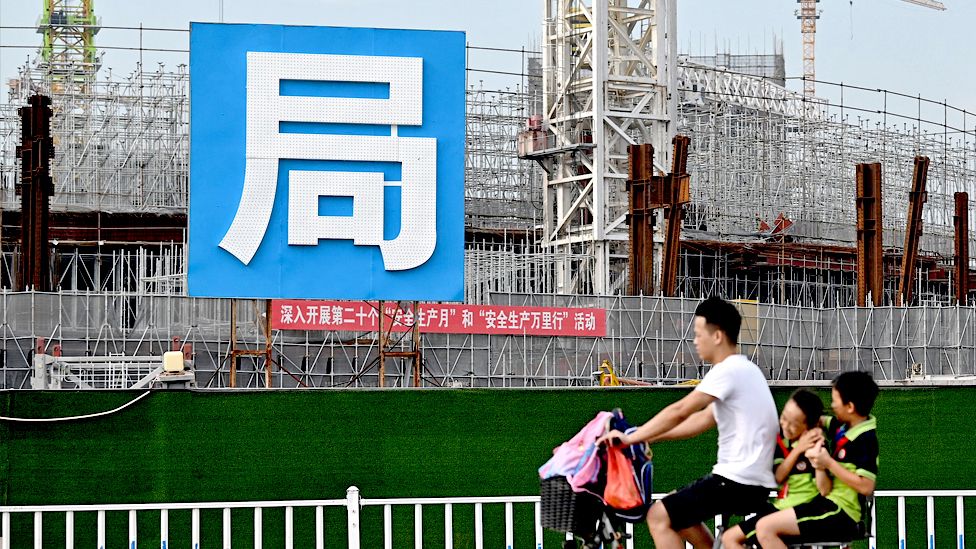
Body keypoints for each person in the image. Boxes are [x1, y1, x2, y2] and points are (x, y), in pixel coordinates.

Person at [596, 296, 779, 549]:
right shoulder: (746, 371)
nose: (695, 342)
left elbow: (681, 410)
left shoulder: (728, 370)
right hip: (751, 482)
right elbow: (701, 420)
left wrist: (631, 438)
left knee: (658, 515)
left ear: (717, 336)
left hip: (737, 480)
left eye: (698, 334)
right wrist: (648, 436)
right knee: (677, 511)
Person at [753, 371, 879, 549]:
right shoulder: (842, 427)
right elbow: (815, 419)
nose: (832, 406)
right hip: (827, 504)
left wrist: (828, 463)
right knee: (764, 526)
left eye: (835, 401)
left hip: (842, 511)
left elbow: (866, 486)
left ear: (849, 407)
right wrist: (808, 431)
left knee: (765, 528)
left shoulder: (865, 439)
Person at [720, 389, 825, 549]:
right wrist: (797, 450)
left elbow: (822, 488)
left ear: (808, 426)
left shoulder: (817, 443)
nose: (786, 426)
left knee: (732, 538)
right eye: (783, 418)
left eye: (794, 424)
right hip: (782, 507)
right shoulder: (780, 442)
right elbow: (778, 477)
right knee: (729, 538)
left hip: (802, 510)